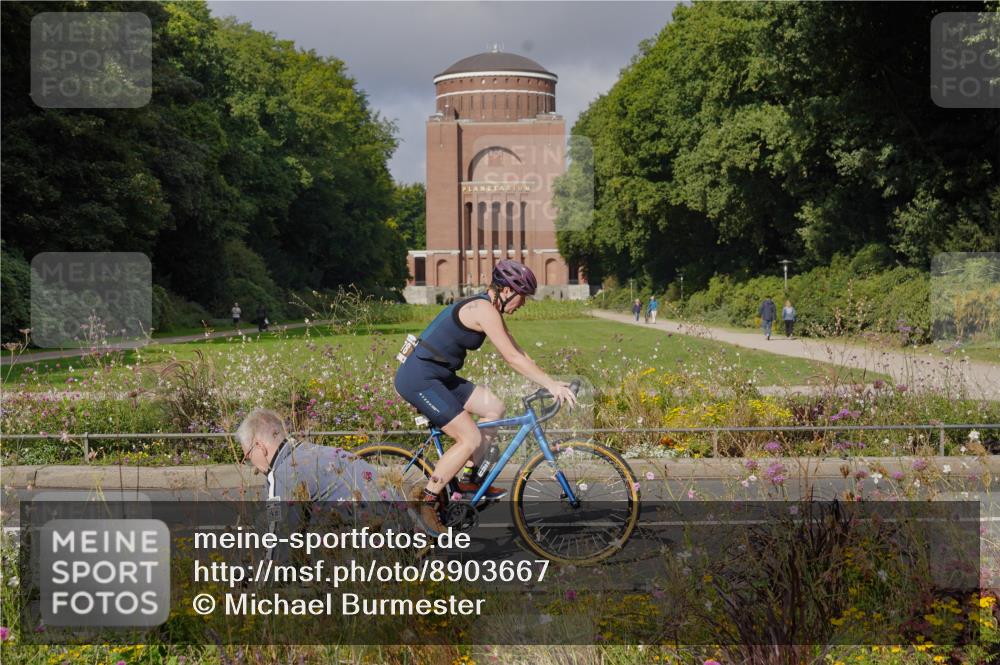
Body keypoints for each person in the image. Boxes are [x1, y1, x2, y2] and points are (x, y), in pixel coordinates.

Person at [394, 259, 577, 535]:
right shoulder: (483, 309)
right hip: (420, 377)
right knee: (470, 438)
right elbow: (512, 358)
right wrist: (551, 386)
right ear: (506, 291)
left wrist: (551, 380)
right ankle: (427, 503)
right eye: (522, 297)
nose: (523, 304)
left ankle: (471, 479)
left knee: (495, 408)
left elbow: (519, 350)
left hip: (439, 375)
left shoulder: (489, 308)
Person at [237, 408, 401, 503]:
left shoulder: (282, 474)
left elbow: (279, 544)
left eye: (248, 456)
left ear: (259, 447)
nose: (251, 464)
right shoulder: (316, 451)